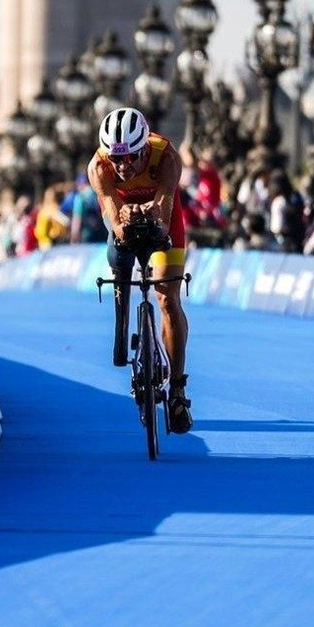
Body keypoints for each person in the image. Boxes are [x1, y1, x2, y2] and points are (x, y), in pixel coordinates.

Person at [88, 107, 192, 433]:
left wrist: (154, 219)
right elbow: (112, 217)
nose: (124, 167)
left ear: (145, 147)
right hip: (122, 215)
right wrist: (125, 222)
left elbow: (165, 208)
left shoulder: (166, 157)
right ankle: (121, 325)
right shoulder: (99, 167)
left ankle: (177, 389)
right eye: (116, 159)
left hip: (164, 217)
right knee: (119, 259)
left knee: (166, 298)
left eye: (131, 157)